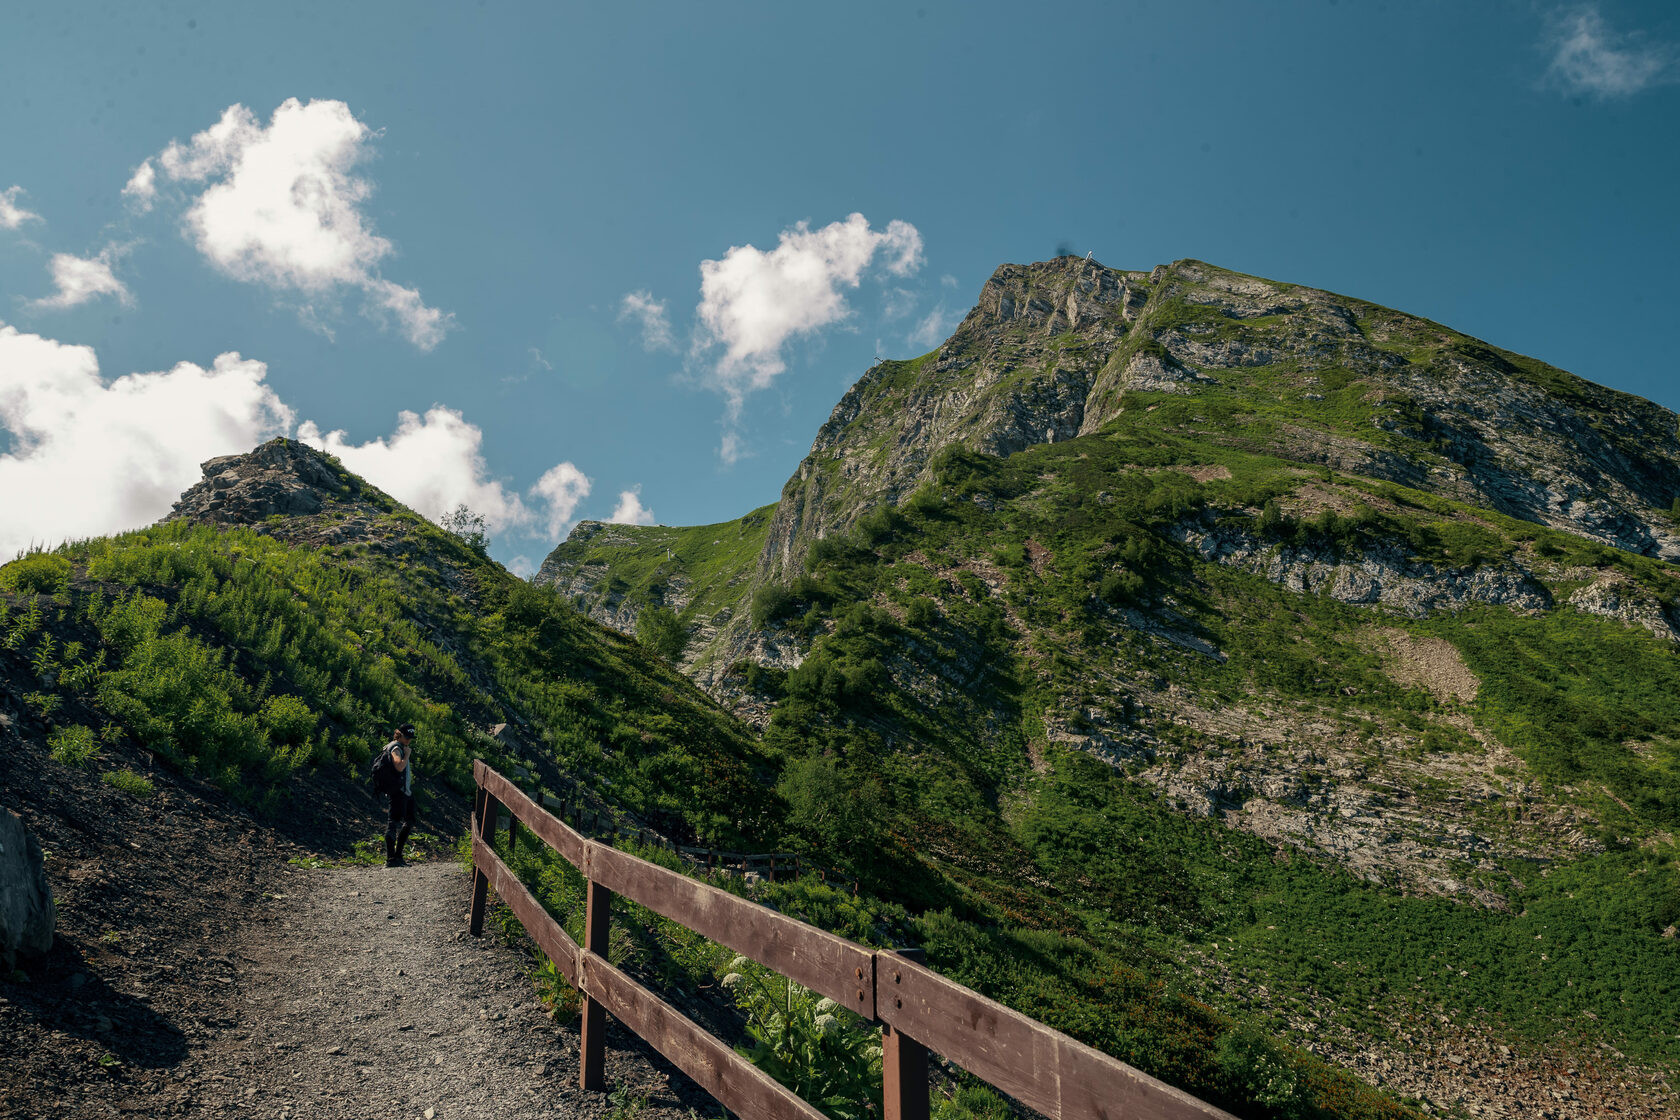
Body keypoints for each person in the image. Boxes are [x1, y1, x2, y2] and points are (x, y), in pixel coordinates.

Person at [384, 724, 418, 868]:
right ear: (399, 734)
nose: (408, 740)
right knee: (393, 823)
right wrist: (408, 754)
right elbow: (399, 766)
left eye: (410, 738)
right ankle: (391, 859)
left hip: (405, 792)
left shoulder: (400, 746)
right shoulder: (395, 748)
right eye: (406, 737)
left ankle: (398, 856)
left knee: (409, 821)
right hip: (397, 792)